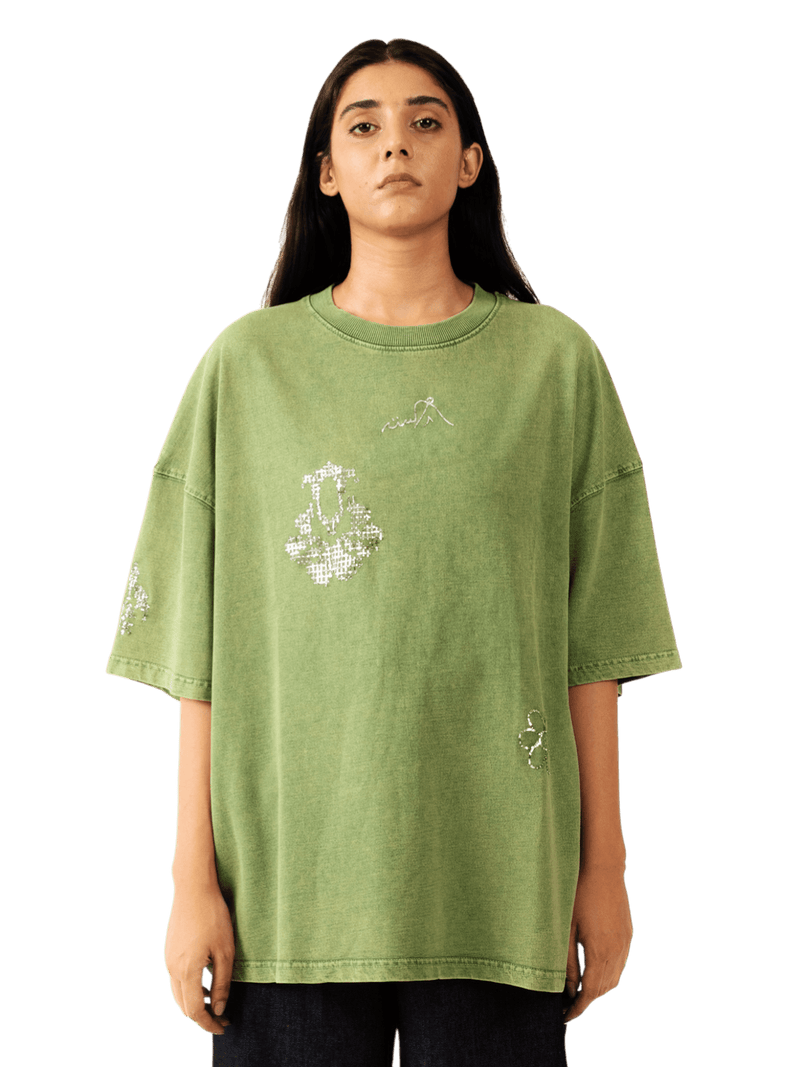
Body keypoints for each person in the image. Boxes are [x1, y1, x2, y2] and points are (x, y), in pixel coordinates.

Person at [104, 37, 683, 1067]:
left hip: (501, 886)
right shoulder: (247, 367)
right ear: (326, 171)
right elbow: (198, 655)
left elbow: (594, 645)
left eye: (425, 122)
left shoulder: (556, 363)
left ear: (470, 161)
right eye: (362, 125)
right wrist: (192, 881)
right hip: (285, 895)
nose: (395, 145)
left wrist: (606, 870)